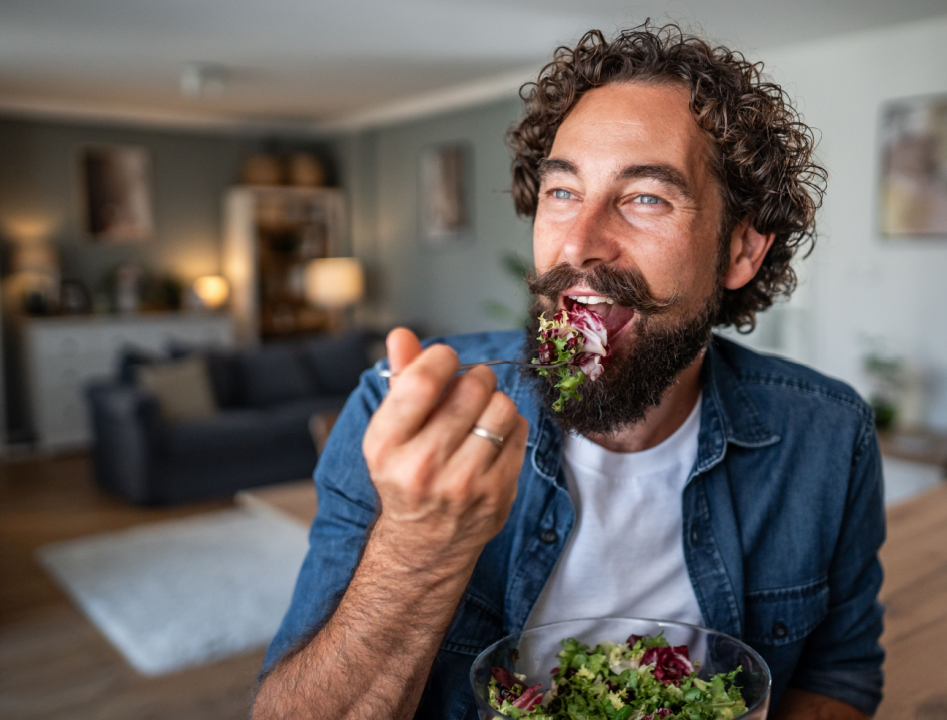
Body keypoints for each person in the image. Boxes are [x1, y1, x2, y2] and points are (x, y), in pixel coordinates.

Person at [253, 23, 884, 720]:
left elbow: (840, 672)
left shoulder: (828, 435)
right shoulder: (402, 408)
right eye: (561, 192)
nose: (579, 244)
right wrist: (416, 550)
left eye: (646, 197)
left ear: (740, 251)